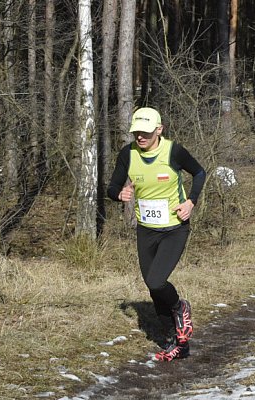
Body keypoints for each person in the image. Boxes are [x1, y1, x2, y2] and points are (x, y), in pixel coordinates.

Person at [107, 107, 207, 361]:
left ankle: (179, 307)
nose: (140, 137)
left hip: (174, 227)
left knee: (156, 281)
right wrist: (119, 194)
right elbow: (112, 186)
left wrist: (191, 202)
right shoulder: (128, 154)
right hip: (147, 230)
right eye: (136, 132)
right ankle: (176, 342)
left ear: (159, 130)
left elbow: (199, 172)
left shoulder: (173, 151)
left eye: (146, 132)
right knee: (153, 288)